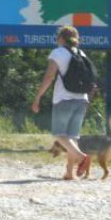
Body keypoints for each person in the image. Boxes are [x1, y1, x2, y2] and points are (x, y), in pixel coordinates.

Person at [32, 25, 91, 180]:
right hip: (82, 99)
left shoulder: (58, 52)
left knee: (59, 135)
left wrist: (38, 96)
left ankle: (81, 157)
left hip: (64, 98)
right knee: (72, 137)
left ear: (61, 38)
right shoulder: (81, 53)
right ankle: (69, 173)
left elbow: (49, 76)